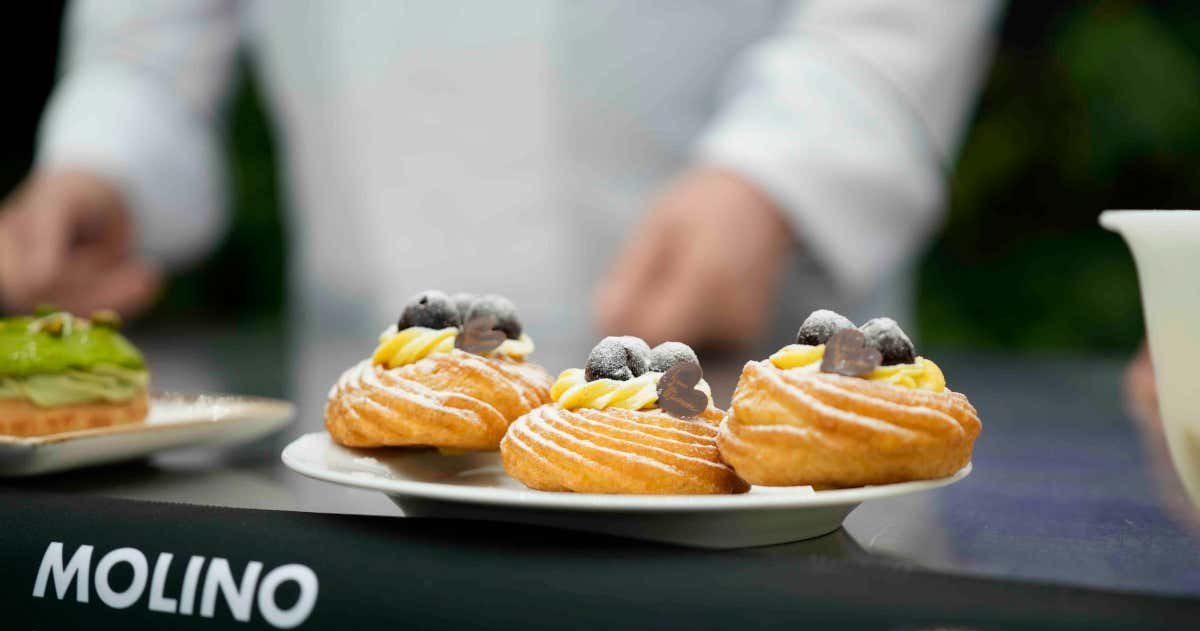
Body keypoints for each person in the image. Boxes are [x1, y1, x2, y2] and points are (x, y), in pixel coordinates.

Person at [0, 1, 1001, 351]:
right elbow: (151, 42)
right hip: (359, 372)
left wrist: (788, 166)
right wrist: (107, 156)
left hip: (746, 355)